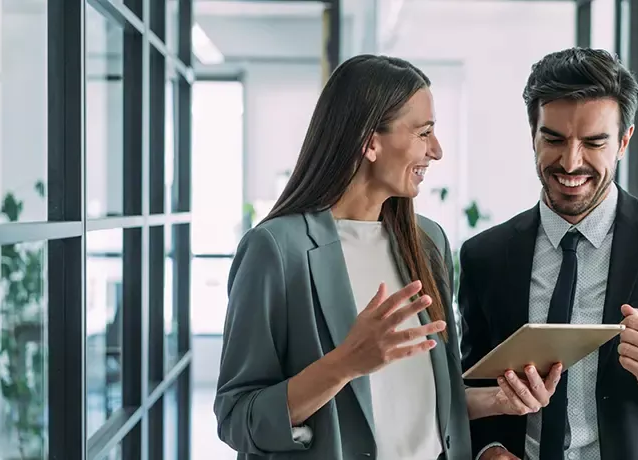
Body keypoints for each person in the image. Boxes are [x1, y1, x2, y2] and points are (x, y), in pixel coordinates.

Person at [214, 54, 562, 460]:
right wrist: (344, 364)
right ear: (370, 141)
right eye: (424, 133)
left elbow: (419, 405)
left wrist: (500, 401)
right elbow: (238, 418)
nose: (437, 150)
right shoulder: (275, 249)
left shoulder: (426, 241)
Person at [458, 48, 638, 460]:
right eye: (554, 139)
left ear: (624, 140)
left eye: (594, 142)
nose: (571, 161)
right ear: (533, 136)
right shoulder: (484, 256)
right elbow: (470, 388)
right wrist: (487, 449)